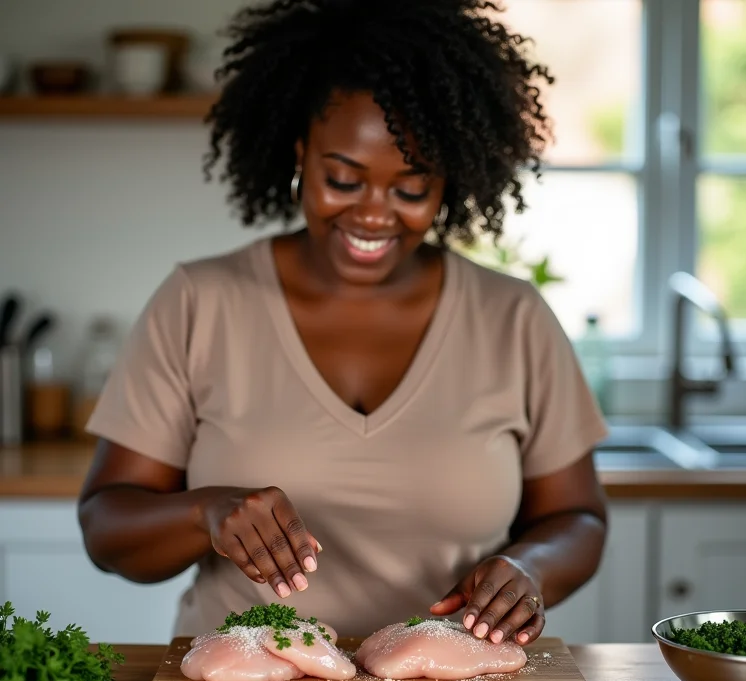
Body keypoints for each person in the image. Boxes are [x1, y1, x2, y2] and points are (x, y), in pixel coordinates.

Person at [78, 0, 609, 645]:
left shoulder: (513, 317)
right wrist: (204, 512)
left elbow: (577, 516)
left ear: (450, 183)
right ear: (301, 152)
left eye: (411, 189)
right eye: (342, 179)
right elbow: (106, 528)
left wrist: (530, 568)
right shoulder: (200, 301)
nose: (373, 215)